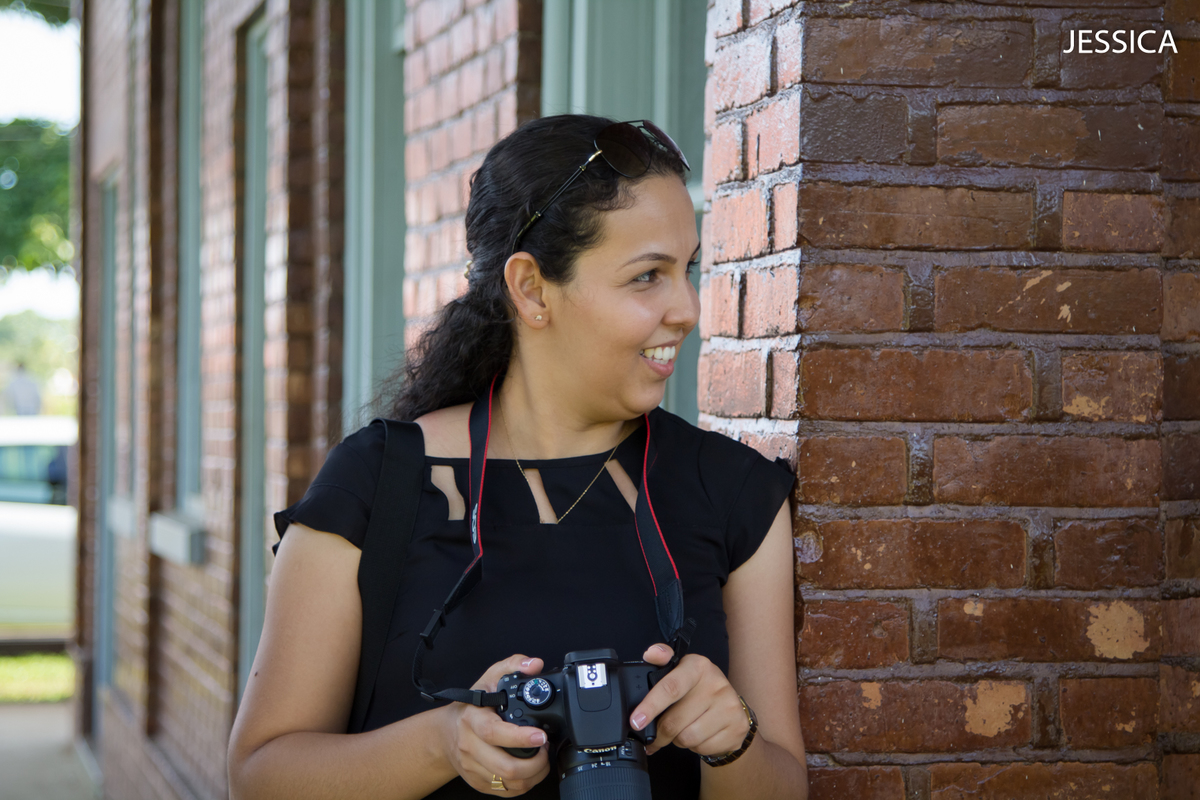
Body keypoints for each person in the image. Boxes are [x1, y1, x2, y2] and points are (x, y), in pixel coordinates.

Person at [227, 115, 807, 799]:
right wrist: (444, 742)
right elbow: (259, 775)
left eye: (688, 270)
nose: (686, 308)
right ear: (531, 288)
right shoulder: (377, 482)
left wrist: (732, 739)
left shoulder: (735, 492)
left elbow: (782, 783)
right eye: (648, 276)